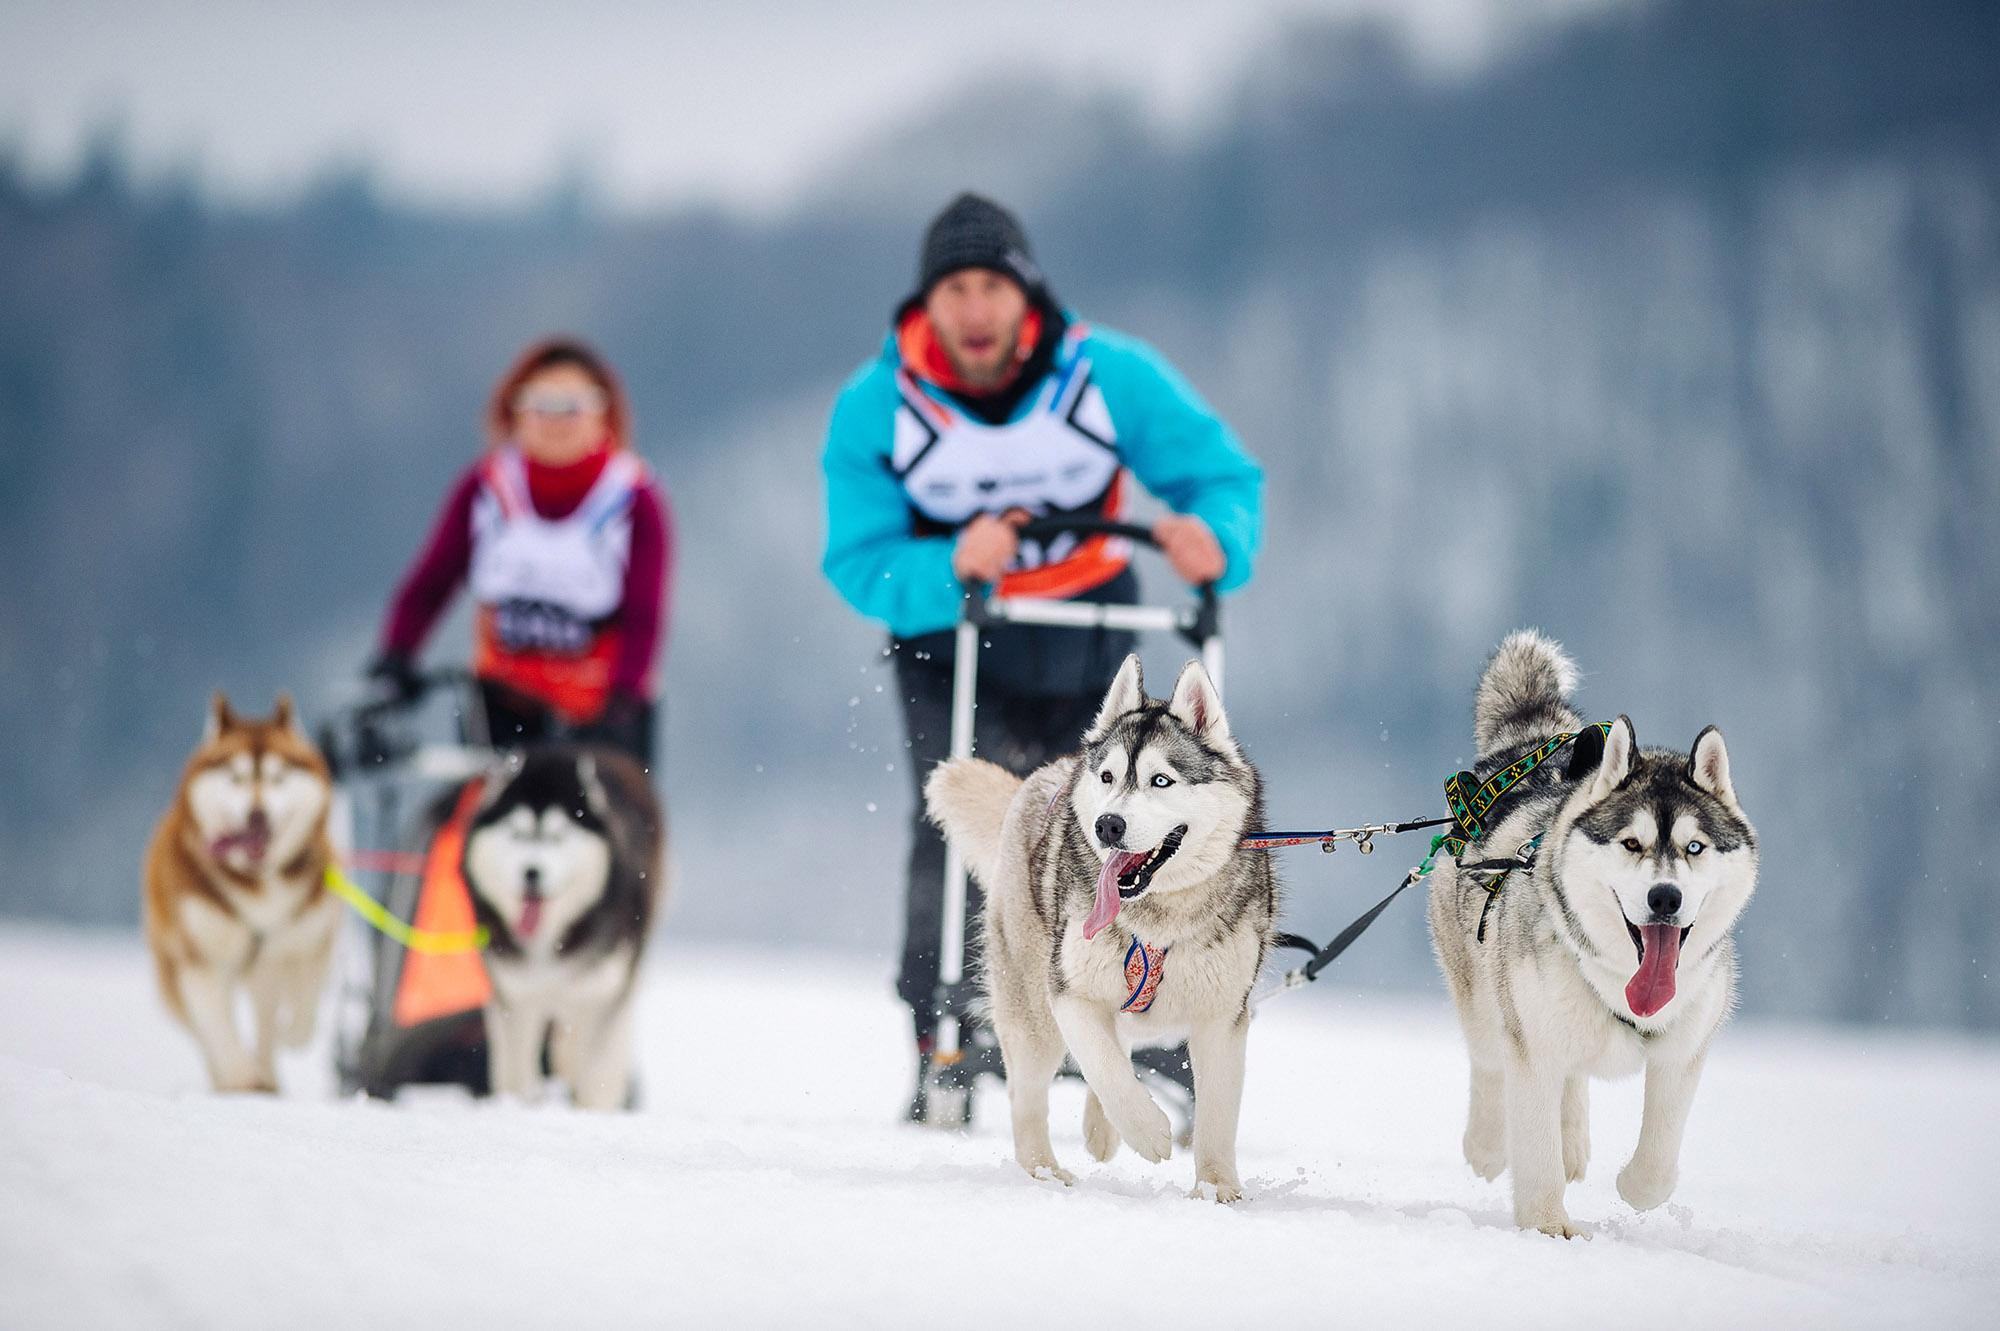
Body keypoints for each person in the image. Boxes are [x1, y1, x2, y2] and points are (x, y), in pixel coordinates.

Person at [820, 193, 1263, 1116]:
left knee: (1115, 827)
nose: (975, 310)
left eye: (992, 287)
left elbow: (1223, 478)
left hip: (1092, 638)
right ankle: (947, 1024)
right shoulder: (877, 405)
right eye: (955, 290)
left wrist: (1212, 537)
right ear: (927, 304)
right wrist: (946, 564)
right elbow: (857, 559)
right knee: (954, 827)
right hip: (952, 638)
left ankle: (1140, 1016)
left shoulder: (1108, 375)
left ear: (1025, 295)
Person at [371, 337, 672, 768]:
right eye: (540, 403)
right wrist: (397, 656)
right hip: (501, 708)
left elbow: (645, 616)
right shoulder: (486, 490)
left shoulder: (633, 500)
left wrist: (623, 701)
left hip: (603, 714)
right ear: (513, 411)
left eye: (573, 405)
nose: (556, 419)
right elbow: (431, 583)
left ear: (605, 414)